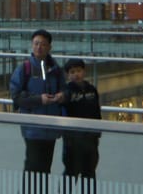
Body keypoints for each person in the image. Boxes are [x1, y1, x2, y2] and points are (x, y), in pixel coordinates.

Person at [9, 29, 66, 191]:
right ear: (31, 46)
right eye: (36, 43)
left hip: (51, 127)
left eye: (43, 44)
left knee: (45, 168)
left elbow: (65, 90)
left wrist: (62, 95)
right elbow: (16, 97)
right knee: (33, 166)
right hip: (33, 127)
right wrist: (39, 100)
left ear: (49, 47)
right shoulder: (24, 69)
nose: (39, 47)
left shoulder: (55, 70)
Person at [61, 58, 101, 192]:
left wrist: (97, 133)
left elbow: (97, 112)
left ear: (84, 71)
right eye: (72, 72)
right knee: (71, 173)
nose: (76, 74)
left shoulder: (92, 90)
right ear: (68, 75)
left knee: (89, 173)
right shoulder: (66, 92)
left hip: (91, 139)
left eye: (78, 71)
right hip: (72, 141)